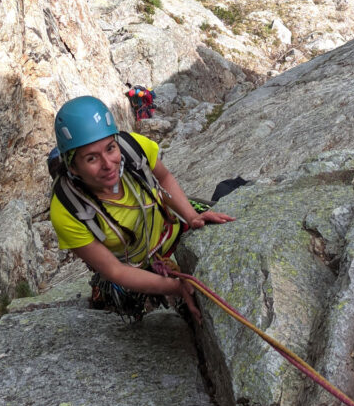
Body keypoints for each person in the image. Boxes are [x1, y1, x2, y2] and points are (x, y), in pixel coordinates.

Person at [49, 95, 233, 323]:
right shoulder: (68, 210)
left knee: (223, 217)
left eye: (110, 148)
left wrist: (192, 216)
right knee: (139, 312)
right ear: (73, 167)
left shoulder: (132, 148)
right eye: (91, 158)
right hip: (132, 265)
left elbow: (163, 178)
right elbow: (115, 271)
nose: (108, 164)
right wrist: (176, 287)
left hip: (168, 225)